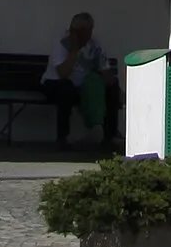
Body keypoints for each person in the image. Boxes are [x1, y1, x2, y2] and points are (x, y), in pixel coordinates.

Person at [41, 12, 116, 147]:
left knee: (113, 91)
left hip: (83, 87)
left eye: (87, 31)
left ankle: (109, 137)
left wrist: (107, 81)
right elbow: (63, 73)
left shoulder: (94, 45)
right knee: (66, 88)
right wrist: (74, 49)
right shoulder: (62, 43)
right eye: (80, 31)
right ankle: (63, 138)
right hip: (55, 84)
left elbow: (105, 71)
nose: (84, 36)